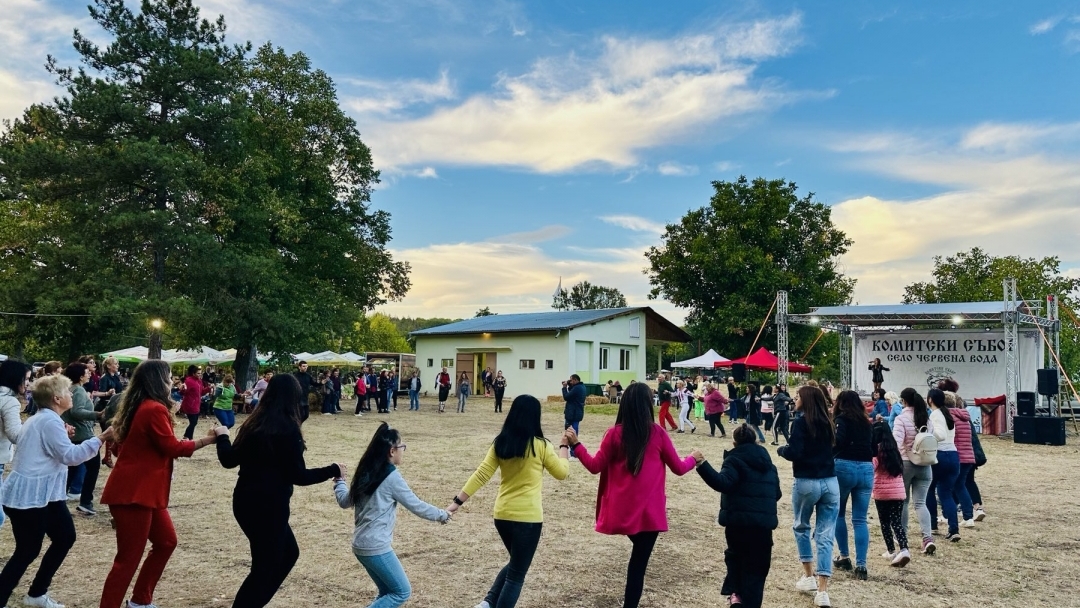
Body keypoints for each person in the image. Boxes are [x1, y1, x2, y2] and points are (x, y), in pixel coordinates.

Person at [214, 374, 343, 608]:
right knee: (265, 568)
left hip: (246, 503)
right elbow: (298, 476)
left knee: (286, 554)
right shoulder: (288, 431)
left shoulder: (254, 424)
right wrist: (332, 469)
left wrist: (223, 437)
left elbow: (229, 459)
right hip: (269, 508)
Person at [564, 382, 697, 608]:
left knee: (638, 559)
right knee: (638, 565)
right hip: (649, 514)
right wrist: (694, 457)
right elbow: (679, 468)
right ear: (647, 405)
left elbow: (595, 465)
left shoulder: (614, 434)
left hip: (622, 510)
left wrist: (577, 445)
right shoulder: (658, 433)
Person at [98, 360, 218, 608]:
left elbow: (122, 448)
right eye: (169, 376)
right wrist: (207, 440)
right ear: (158, 380)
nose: (172, 381)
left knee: (165, 542)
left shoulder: (138, 406)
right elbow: (171, 447)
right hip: (134, 494)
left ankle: (140, 600)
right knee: (127, 560)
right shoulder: (153, 409)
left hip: (144, 492)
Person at [447, 395, 569, 608]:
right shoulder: (541, 445)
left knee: (516, 564)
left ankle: (488, 602)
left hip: (502, 515)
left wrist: (458, 501)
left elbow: (482, 473)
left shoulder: (501, 442)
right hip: (528, 519)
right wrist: (564, 446)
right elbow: (561, 473)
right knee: (517, 575)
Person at [0, 373, 111, 608]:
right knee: (27, 550)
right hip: (30, 497)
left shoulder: (46, 419)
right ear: (57, 398)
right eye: (68, 392)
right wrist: (100, 438)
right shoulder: (48, 421)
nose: (71, 395)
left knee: (64, 537)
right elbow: (70, 457)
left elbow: (53, 450)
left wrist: (65, 435)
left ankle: (37, 593)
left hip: (45, 494)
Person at [336, 422, 450, 607]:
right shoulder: (391, 477)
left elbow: (344, 501)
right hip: (375, 546)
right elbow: (416, 505)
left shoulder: (366, 471)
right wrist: (442, 515)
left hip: (361, 545)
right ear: (391, 451)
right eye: (401, 447)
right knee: (401, 591)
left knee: (386, 592)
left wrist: (339, 481)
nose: (403, 450)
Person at [692, 424, 782, 608]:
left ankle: (736, 595)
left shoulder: (734, 460)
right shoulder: (769, 465)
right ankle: (746, 600)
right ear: (756, 440)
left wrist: (701, 463)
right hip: (763, 527)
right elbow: (777, 493)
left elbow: (722, 482)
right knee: (757, 571)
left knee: (736, 560)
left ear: (735, 442)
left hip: (738, 525)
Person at [777, 386, 839, 608]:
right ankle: (823, 590)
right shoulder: (829, 422)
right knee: (825, 534)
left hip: (807, 481)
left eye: (797, 396)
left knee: (802, 526)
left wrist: (782, 451)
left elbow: (796, 452)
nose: (794, 399)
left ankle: (808, 576)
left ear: (806, 400)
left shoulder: (801, 423)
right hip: (830, 481)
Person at [831, 390, 874, 581]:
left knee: (839, 513)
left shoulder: (841, 419)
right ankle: (862, 564)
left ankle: (844, 555)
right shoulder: (867, 422)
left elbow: (838, 442)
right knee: (860, 519)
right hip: (866, 468)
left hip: (844, 465)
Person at [893, 388, 936, 556]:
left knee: (903, 502)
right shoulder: (927, 419)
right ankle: (927, 538)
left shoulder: (901, 419)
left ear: (903, 401)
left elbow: (897, 442)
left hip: (906, 462)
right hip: (925, 464)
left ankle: (902, 536)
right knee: (921, 503)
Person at [62, 362, 103, 516]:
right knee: (92, 469)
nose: (89, 374)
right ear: (80, 376)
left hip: (74, 436)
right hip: (83, 436)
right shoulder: (78, 390)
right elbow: (77, 412)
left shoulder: (71, 389)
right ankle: (86, 502)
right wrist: (97, 414)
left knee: (70, 470)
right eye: (87, 372)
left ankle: (59, 500)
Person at [924, 388, 961, 542]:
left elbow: (940, 434)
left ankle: (932, 524)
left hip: (940, 455)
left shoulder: (935, 415)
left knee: (929, 489)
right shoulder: (948, 414)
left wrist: (927, 433)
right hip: (953, 455)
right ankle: (953, 529)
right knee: (946, 493)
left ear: (930, 400)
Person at [872, 427, 910, 567]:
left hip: (882, 493)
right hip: (898, 492)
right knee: (897, 522)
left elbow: (872, 467)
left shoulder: (877, 453)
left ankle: (891, 550)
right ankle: (904, 548)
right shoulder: (895, 451)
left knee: (885, 523)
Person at [0, 359, 30, 527]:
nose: (27, 384)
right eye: (25, 379)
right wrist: (35, 428)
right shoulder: (9, 401)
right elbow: (15, 435)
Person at [561, 374, 586, 457]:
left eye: (571, 380)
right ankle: (574, 452)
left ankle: (573, 453)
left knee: (571, 433)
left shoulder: (577, 388)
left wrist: (564, 387)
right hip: (577, 413)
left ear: (575, 380)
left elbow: (567, 397)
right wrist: (569, 385)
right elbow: (572, 394)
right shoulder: (581, 387)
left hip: (572, 413)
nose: (570, 381)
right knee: (574, 433)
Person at [179, 365, 203, 440]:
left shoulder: (199, 381)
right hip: (190, 404)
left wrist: (209, 388)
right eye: (198, 373)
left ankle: (189, 437)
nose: (200, 375)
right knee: (193, 422)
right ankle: (186, 436)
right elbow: (183, 392)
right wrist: (182, 389)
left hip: (196, 404)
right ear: (193, 373)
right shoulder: (189, 381)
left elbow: (201, 392)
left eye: (200, 373)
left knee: (194, 422)